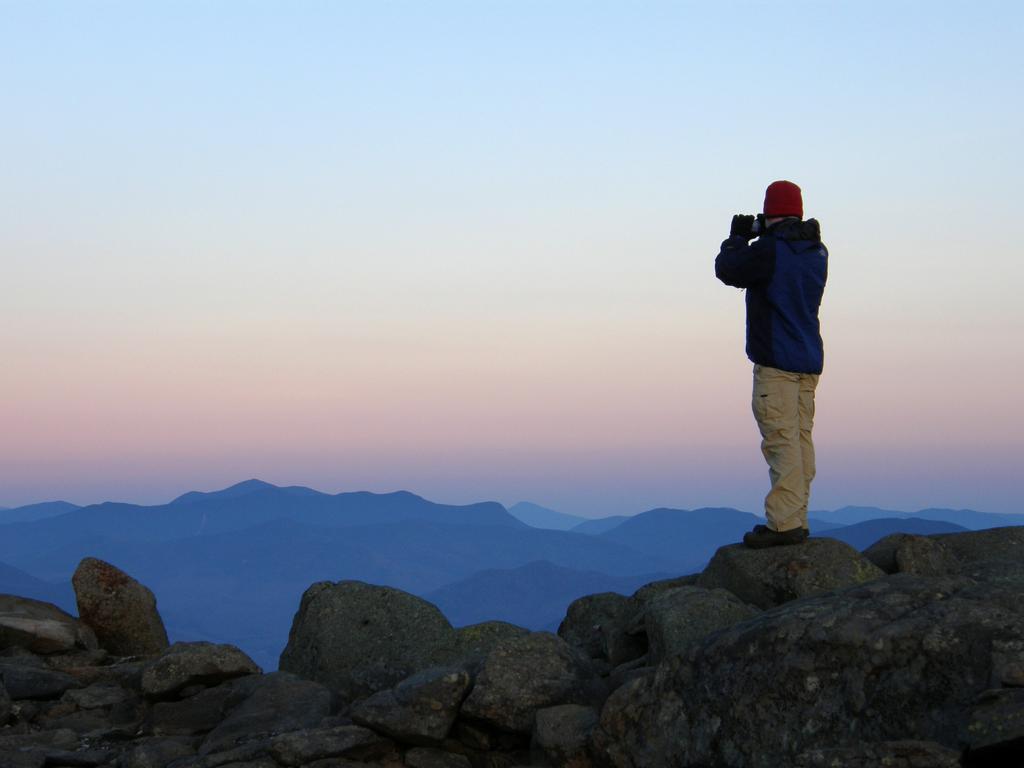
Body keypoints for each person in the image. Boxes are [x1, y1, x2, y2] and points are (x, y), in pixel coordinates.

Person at [715, 180, 828, 549]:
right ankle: (797, 516)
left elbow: (728, 269)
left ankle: (783, 526)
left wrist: (736, 237)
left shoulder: (770, 251)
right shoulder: (815, 251)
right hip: (807, 362)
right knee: (799, 440)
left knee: (781, 442)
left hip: (776, 364)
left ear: (770, 212)